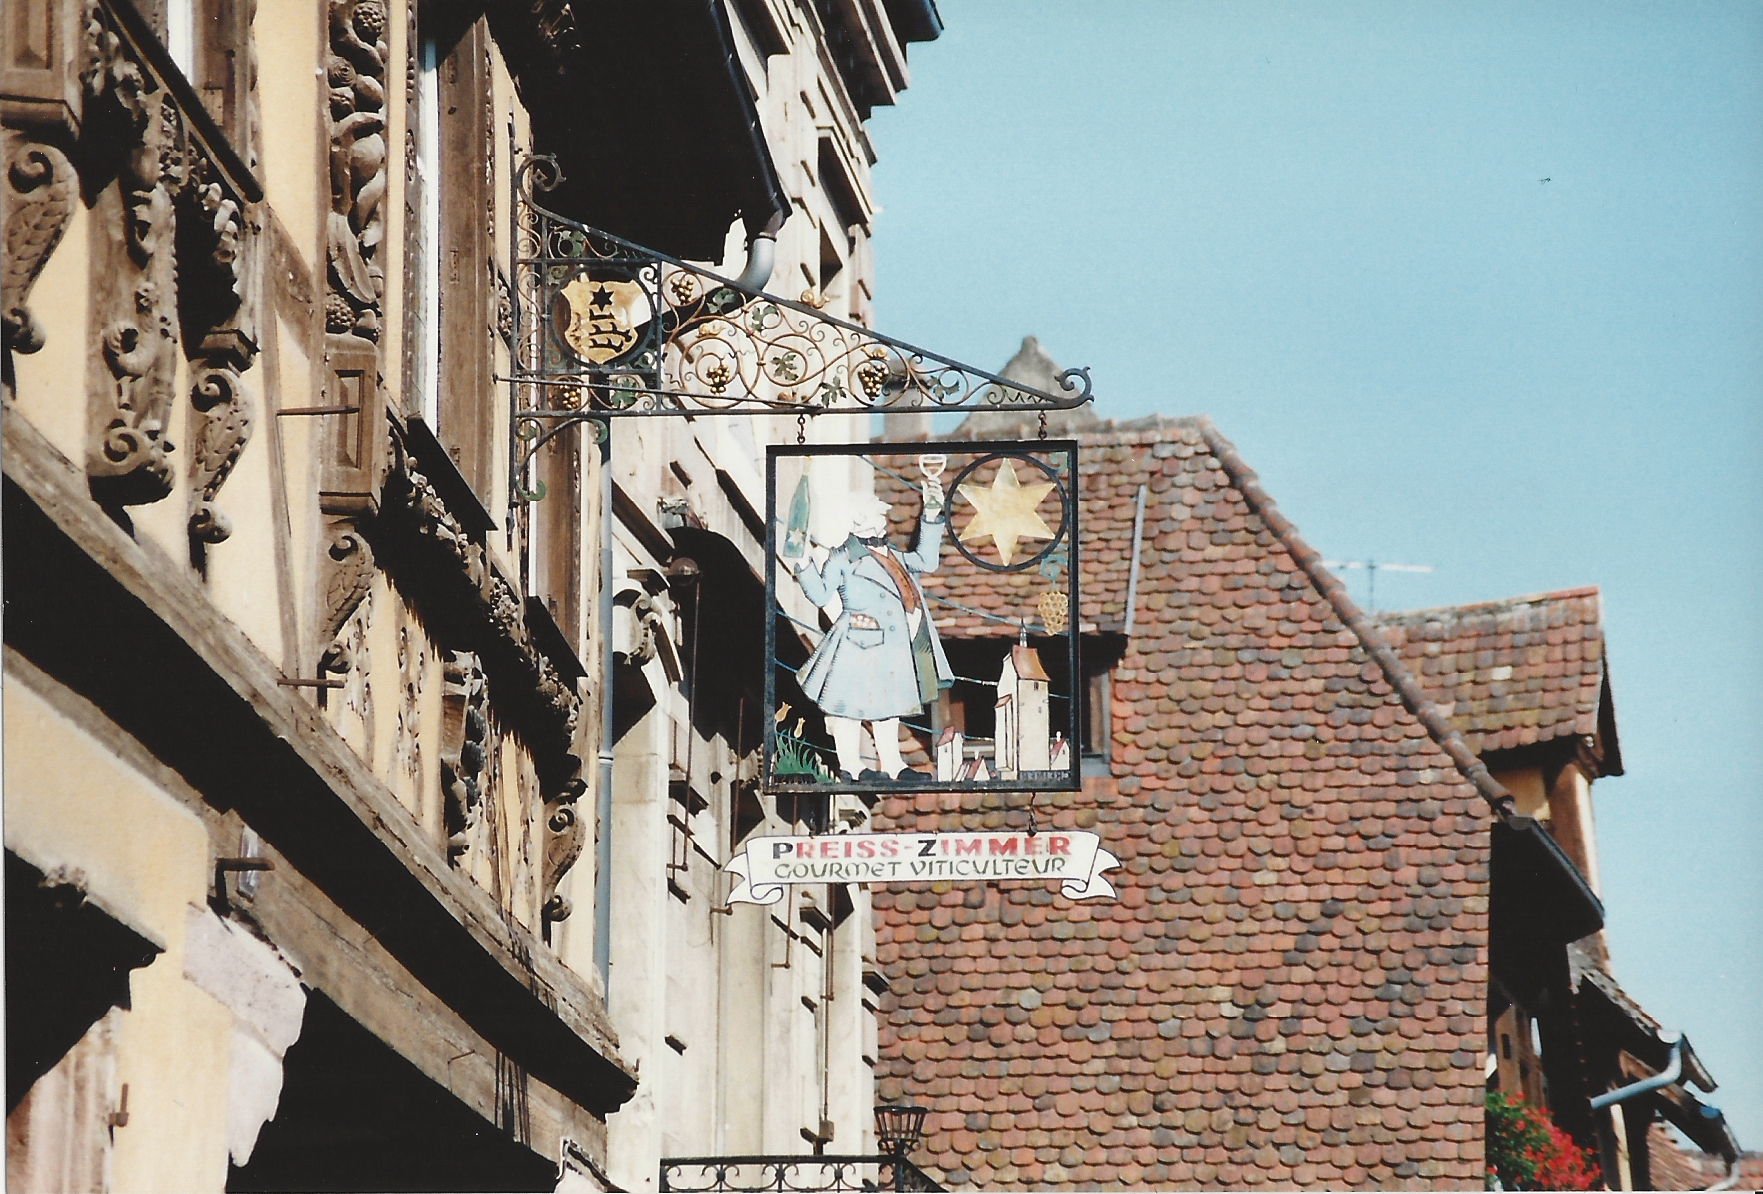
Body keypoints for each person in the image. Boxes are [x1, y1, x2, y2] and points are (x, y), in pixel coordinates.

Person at [790, 479, 951, 781]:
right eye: (878, 513)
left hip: (893, 645)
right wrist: (802, 564)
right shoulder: (843, 557)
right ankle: (850, 766)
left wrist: (931, 513)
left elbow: (927, 561)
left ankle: (893, 765)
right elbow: (821, 595)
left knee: (888, 708)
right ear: (861, 518)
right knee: (848, 707)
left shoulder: (893, 554)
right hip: (857, 641)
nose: (883, 519)